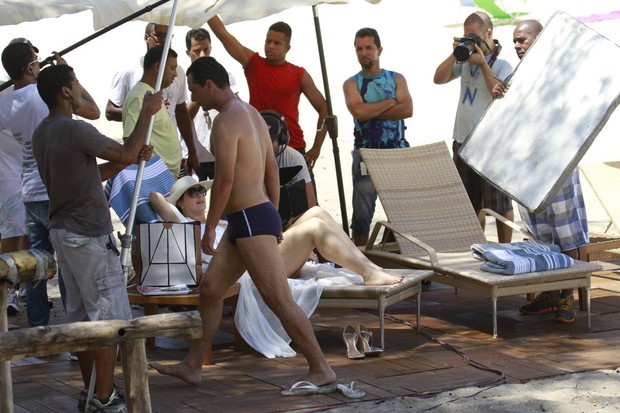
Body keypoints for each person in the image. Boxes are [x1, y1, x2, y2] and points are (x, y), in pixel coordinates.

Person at [149, 56, 336, 388]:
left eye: (194, 90)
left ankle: (321, 367)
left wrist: (209, 227)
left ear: (210, 85)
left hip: (249, 218)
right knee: (210, 289)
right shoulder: (251, 113)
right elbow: (272, 171)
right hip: (252, 216)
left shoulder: (225, 121)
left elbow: (224, 181)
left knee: (278, 298)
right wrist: (274, 216)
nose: (194, 99)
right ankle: (194, 364)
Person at [32, 63, 162, 412]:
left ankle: (92, 392)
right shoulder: (75, 130)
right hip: (88, 235)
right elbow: (128, 151)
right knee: (107, 321)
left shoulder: (43, 132)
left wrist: (125, 160)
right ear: (65, 91)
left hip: (64, 233)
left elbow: (90, 174)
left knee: (83, 321)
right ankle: (104, 397)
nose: (79, 88)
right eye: (75, 84)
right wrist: (146, 115)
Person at [0, 38, 100, 326]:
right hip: (54, 189)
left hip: (29, 191)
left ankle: (37, 330)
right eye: (35, 60)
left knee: (36, 268)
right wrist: (69, 74)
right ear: (30, 67)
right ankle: (73, 330)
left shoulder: (7, 103)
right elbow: (91, 111)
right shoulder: (41, 96)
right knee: (67, 265)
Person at [494, 20, 586, 323]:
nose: (518, 46)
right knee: (539, 231)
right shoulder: (515, 75)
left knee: (565, 230)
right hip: (528, 167)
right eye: (515, 41)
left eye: (523, 40)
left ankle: (568, 295)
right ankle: (550, 292)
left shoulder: (558, 71)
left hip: (558, 164)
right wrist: (499, 93)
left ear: (540, 39)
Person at [149, 176, 401, 285]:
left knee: (316, 212)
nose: (200, 196)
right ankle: (367, 272)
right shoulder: (187, 226)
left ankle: (370, 267)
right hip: (253, 269)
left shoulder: (218, 223)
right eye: (192, 193)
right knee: (313, 227)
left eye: (202, 191)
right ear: (180, 202)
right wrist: (175, 208)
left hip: (264, 253)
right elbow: (154, 197)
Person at [207, 15, 328, 171]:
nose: (270, 46)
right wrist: (206, 5)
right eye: (268, 41)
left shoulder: (299, 74)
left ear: (287, 48)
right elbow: (223, 34)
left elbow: (324, 108)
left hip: (293, 146)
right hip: (258, 147)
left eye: (277, 43)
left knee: (302, 195)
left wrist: (317, 147)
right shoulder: (254, 63)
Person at [433, 11, 515, 243]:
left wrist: (483, 64)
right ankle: (479, 247)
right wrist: (455, 53)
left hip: (490, 144)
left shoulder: (503, 65)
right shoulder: (466, 61)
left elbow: (499, 94)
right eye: (466, 36)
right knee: (470, 203)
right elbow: (438, 79)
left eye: (474, 36)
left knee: (498, 203)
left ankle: (505, 249)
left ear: (488, 33)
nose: (470, 41)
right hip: (462, 139)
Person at [343, 28, 413, 247]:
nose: (364, 53)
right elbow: (359, 113)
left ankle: (405, 258)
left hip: (397, 154)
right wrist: (391, 102)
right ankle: (361, 260)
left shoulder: (396, 78)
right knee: (362, 217)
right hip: (366, 155)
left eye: (369, 48)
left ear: (379, 50)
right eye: (359, 48)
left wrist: (370, 109)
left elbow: (407, 109)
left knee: (403, 213)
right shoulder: (351, 83)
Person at [106, 22, 199, 175]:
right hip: (154, 173)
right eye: (160, 36)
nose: (175, 74)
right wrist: (146, 112)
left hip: (170, 170)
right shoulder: (138, 92)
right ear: (158, 67)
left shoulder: (154, 92)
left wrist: (192, 151)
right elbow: (131, 145)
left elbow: (182, 111)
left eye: (169, 36)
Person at [184, 27, 238, 180]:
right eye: (197, 50)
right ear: (188, 52)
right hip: (193, 154)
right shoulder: (183, 78)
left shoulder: (223, 75)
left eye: (206, 49)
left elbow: (233, 106)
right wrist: (200, 93)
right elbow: (183, 117)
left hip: (219, 153)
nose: (202, 55)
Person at [122, 45, 183, 177]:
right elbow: (129, 141)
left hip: (165, 175)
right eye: (172, 68)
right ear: (157, 67)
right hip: (154, 176)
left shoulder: (150, 93)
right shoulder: (139, 96)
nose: (176, 74)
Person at [261, 109, 317, 227]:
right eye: (261, 141)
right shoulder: (245, 158)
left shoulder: (293, 158)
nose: (265, 146)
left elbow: (311, 204)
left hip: (290, 224)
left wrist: (293, 221)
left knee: (318, 216)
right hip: (260, 223)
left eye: (270, 141)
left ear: (282, 139)